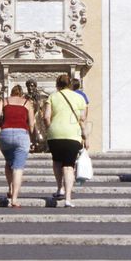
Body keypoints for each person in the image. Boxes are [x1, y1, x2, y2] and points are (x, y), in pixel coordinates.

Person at [40, 74, 88, 207]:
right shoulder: (79, 98)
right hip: (73, 135)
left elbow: (46, 117)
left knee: (57, 161)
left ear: (57, 84)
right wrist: (85, 137)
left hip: (55, 134)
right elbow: (82, 119)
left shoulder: (52, 97)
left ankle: (59, 188)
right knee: (68, 167)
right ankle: (68, 198)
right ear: (70, 84)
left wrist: (50, 127)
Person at [0, 84, 35, 207]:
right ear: (21, 93)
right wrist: (30, 133)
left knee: (9, 162)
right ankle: (14, 199)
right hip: (21, 134)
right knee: (18, 167)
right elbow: (32, 123)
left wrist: (3, 124)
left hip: (5, 134)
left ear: (12, 92)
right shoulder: (27, 102)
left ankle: (10, 188)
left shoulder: (4, 100)